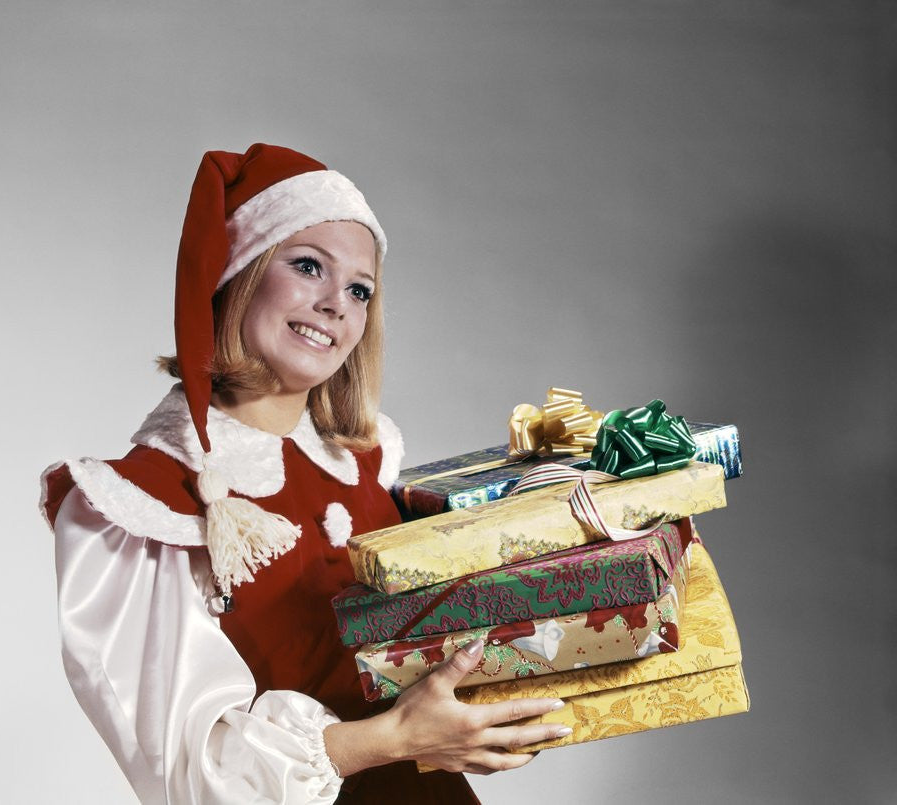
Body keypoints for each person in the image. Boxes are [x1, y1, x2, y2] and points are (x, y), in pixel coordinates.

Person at [40, 144, 572, 804]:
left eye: (359, 289)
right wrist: (393, 739)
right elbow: (189, 774)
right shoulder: (141, 504)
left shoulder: (369, 465)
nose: (335, 304)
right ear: (238, 273)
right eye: (308, 265)